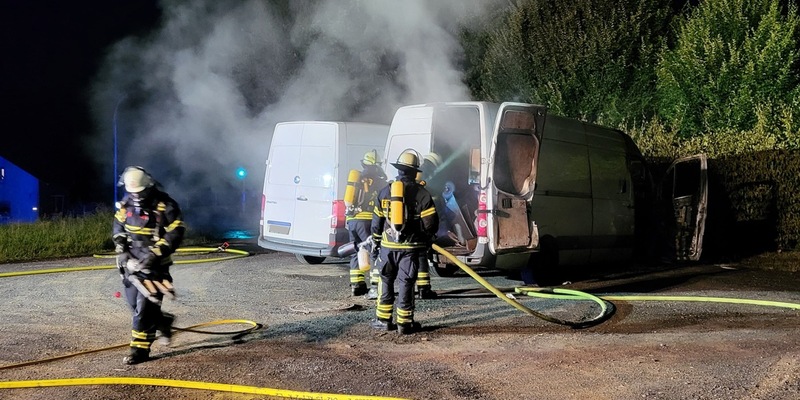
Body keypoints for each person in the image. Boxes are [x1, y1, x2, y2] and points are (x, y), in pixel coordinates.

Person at [113, 166, 185, 365]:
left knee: (143, 310)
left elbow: (175, 233)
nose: (136, 196)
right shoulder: (126, 205)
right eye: (132, 192)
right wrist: (122, 249)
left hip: (156, 265)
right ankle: (163, 322)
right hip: (132, 263)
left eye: (139, 192)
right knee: (133, 304)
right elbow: (118, 227)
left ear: (148, 187)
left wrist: (155, 255)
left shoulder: (166, 206)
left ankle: (139, 349)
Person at [370, 150, 439, 334]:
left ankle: (383, 320)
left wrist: (376, 241)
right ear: (415, 171)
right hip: (411, 248)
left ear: (399, 170)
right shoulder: (423, 194)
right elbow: (431, 224)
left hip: (388, 247)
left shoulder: (385, 191)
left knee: (386, 281)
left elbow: (376, 222)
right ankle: (404, 323)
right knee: (406, 282)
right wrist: (426, 239)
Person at [346, 150, 387, 297]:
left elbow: (349, 201)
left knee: (356, 250)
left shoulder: (357, 178)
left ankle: (357, 285)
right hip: (369, 220)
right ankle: (375, 285)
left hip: (353, 220)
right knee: (375, 250)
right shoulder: (381, 181)